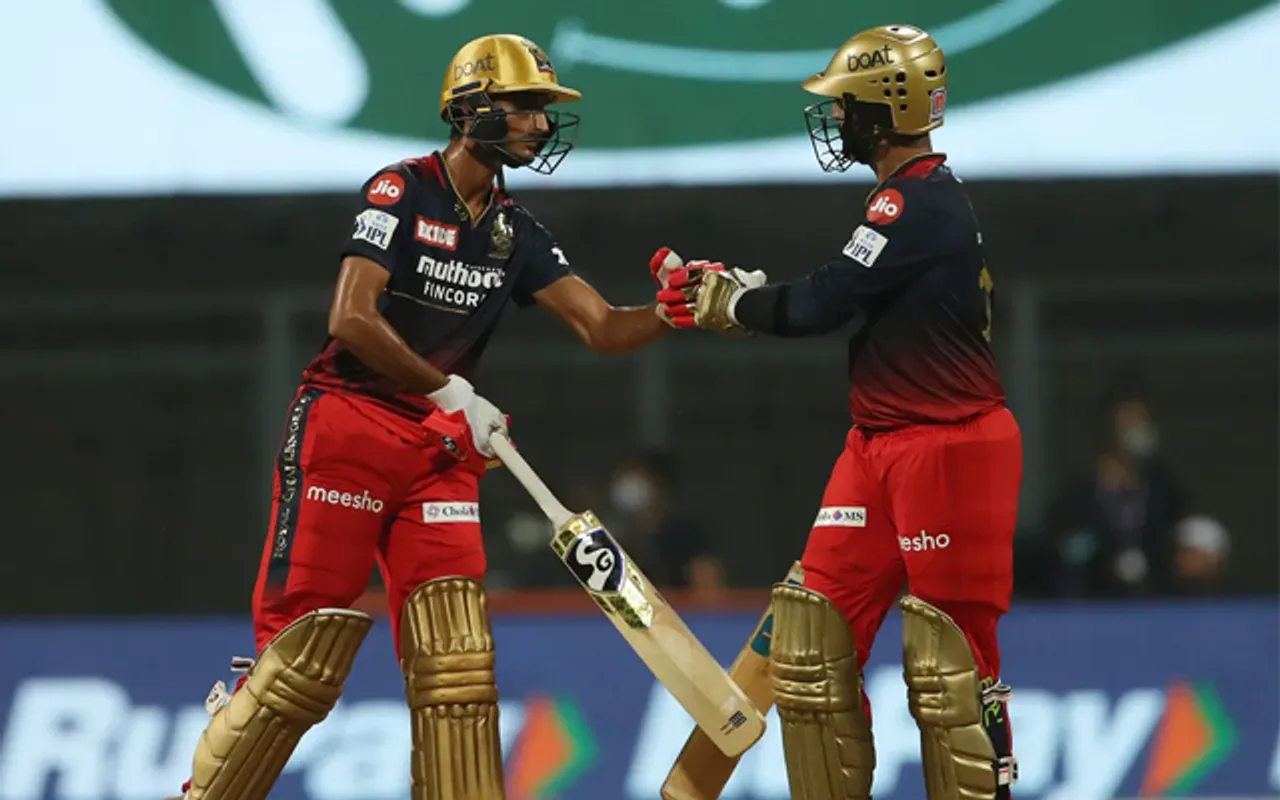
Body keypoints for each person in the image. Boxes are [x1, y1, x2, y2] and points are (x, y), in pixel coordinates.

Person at [171, 33, 682, 800]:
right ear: (472, 108)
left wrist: (677, 311)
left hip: (438, 452)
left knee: (458, 670)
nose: (540, 126)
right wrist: (448, 391)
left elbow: (604, 327)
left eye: (544, 111)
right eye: (526, 108)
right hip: (347, 425)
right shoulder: (400, 190)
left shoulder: (517, 230)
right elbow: (351, 318)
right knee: (297, 666)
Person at [658, 24, 1020, 800]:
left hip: (950, 448)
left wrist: (734, 303)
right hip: (878, 444)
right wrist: (742, 299)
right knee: (811, 647)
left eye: (846, 105)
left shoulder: (915, 203)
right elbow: (824, 294)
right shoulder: (903, 200)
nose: (836, 120)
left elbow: (819, 303)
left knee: (952, 669)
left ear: (884, 110)